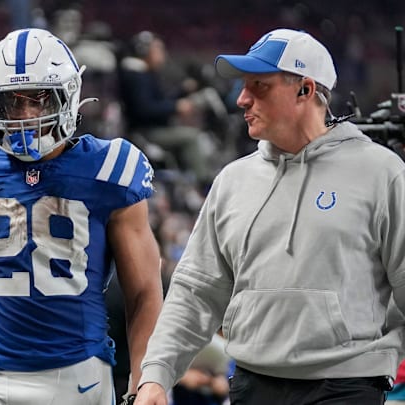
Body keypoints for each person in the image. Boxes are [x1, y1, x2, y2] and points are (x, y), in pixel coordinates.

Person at [135, 28, 405, 405]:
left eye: (259, 86)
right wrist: (156, 376)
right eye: (244, 87)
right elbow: (195, 293)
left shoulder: (382, 174)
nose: (242, 99)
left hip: (347, 386)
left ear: (305, 90)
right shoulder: (233, 180)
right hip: (251, 384)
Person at [0, 28, 163, 405]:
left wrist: (144, 382)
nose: (25, 115)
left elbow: (143, 292)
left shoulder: (108, 169)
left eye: (40, 100)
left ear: (68, 97)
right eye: (11, 102)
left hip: (77, 376)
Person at [118, 31, 213, 186]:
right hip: (146, 132)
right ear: (144, 51)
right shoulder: (137, 76)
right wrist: (176, 107)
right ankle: (203, 184)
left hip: (151, 128)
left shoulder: (142, 73)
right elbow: (144, 109)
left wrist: (182, 92)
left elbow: (157, 101)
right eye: (158, 49)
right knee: (192, 136)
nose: (162, 54)